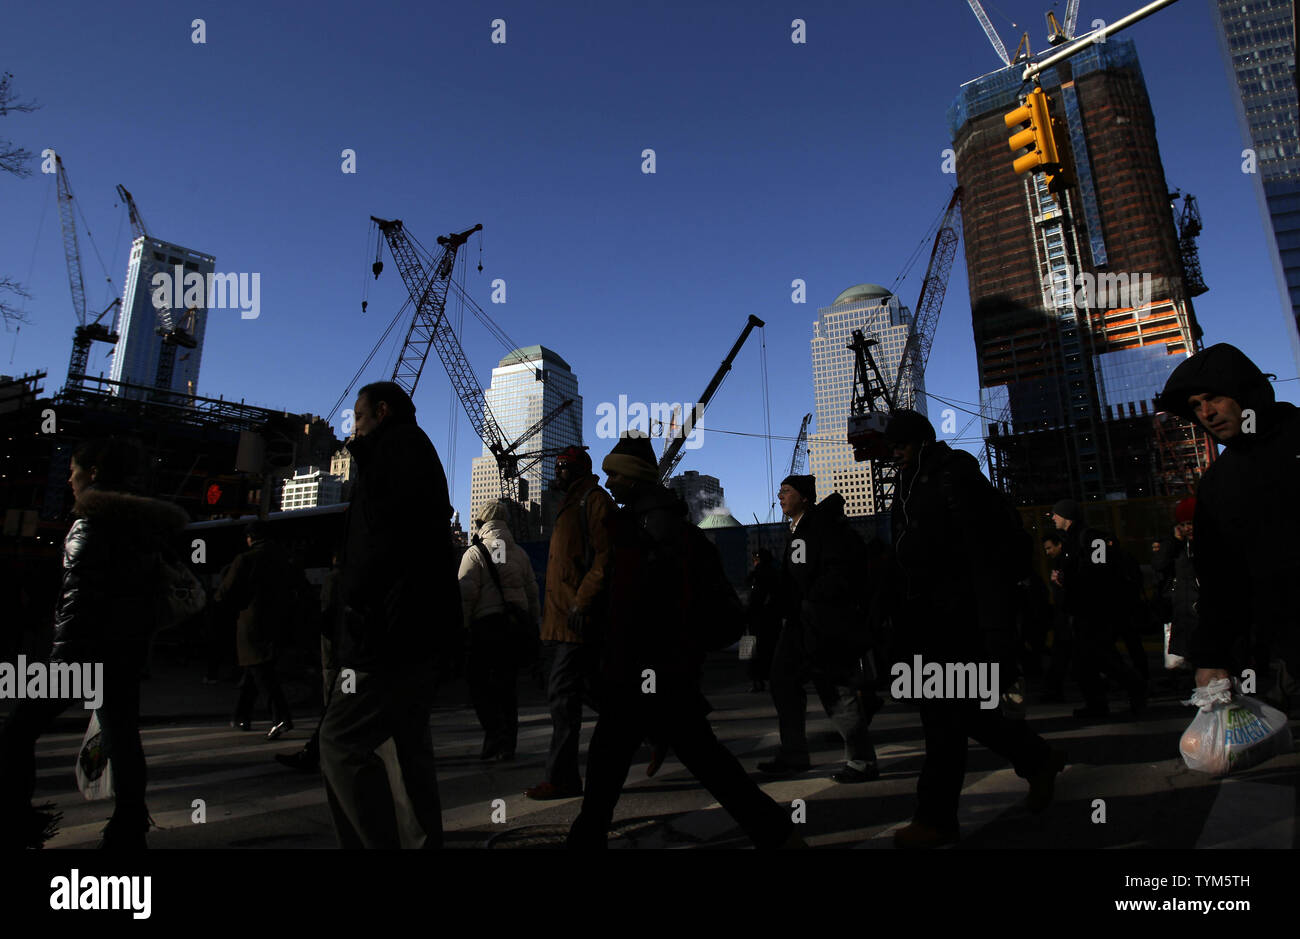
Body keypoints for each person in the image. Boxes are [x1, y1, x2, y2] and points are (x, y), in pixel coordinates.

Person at [566, 433, 802, 849]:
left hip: (645, 670)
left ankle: (586, 839)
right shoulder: (664, 523)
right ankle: (776, 832)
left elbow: (638, 607)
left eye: (614, 474)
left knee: (619, 759)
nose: (609, 482)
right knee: (698, 758)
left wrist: (616, 662)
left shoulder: (644, 529)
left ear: (634, 477)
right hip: (662, 670)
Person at [883, 410, 1066, 849]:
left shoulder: (953, 475)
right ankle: (1038, 758)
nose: (895, 454)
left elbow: (985, 557)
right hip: (930, 618)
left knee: (943, 718)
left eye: (901, 445)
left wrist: (995, 628)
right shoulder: (910, 482)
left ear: (921, 441)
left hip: (961, 619)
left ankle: (936, 819)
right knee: (962, 712)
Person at [0, 436, 189, 849]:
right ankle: (129, 826)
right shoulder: (142, 528)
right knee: (123, 737)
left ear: (94, 474)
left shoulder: (91, 523)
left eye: (73, 471)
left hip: (82, 653)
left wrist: (60, 660)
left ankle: (15, 820)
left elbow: (80, 600)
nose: (69, 479)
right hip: (125, 650)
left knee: (16, 731)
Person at [319, 381, 460, 849]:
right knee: (405, 745)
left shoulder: (391, 454)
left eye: (357, 418)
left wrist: (354, 610)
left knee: (340, 742)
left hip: (385, 634)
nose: (352, 429)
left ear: (380, 411)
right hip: (416, 632)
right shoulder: (415, 452)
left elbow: (375, 552)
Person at [1156, 343, 1300, 709]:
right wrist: (1212, 656)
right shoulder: (1219, 483)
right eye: (1195, 406)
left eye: (1213, 398)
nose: (1206, 412)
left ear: (1244, 392)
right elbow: (1222, 579)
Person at [759, 474, 879, 783]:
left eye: (787, 491)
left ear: (804, 497)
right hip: (802, 622)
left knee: (835, 687)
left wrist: (810, 602)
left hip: (820, 623)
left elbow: (825, 576)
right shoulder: (800, 530)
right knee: (783, 680)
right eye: (780, 490)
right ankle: (794, 753)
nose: (780, 496)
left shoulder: (818, 530)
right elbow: (796, 579)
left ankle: (861, 761)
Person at [525, 446, 615, 800]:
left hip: (577, 619)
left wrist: (582, 599)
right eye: (557, 466)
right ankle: (653, 728)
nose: (557, 471)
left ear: (580, 470)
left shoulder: (593, 501)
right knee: (590, 691)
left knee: (562, 696)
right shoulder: (570, 504)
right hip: (561, 620)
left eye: (563, 467)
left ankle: (562, 778)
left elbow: (606, 556)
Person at [458, 500, 541, 761]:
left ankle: (494, 732)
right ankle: (508, 744)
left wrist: (463, 627)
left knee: (477, 681)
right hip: (514, 628)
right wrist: (533, 625)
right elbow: (532, 593)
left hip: (487, 625)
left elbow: (466, 595)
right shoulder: (519, 554)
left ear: (481, 522)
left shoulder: (475, 553)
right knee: (508, 686)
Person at [1050, 498, 1146, 719]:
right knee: (1089, 660)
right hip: (1083, 609)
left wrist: (1071, 580)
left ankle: (1132, 687)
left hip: (1095, 610)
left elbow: (1100, 572)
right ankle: (1101, 701)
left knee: (1096, 657)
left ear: (1066, 516)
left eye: (1056, 514)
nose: (1053, 517)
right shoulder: (1073, 540)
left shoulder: (1090, 538)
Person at [218, 520, 301, 739]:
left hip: (252, 622)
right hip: (280, 621)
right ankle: (241, 715)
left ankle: (280, 717)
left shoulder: (246, 559)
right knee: (255, 671)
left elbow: (226, 591)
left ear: (250, 538)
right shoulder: (284, 559)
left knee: (261, 672)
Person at [1152, 497, 1198, 674]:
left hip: (1197, 608)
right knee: (1181, 661)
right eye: (1184, 524)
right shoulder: (1174, 545)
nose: (1188, 528)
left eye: (1191, 523)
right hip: (1181, 608)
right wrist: (1174, 541)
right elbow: (1159, 564)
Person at [1040, 531, 1072, 703]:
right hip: (1065, 613)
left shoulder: (1065, 561)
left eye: (1050, 548)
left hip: (1067, 614)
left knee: (1061, 655)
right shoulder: (1062, 560)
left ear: (1059, 544)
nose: (1048, 552)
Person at [745, 549, 781, 692]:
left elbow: (754, 597)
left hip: (758, 619)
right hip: (768, 619)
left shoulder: (758, 575)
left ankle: (756, 680)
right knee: (769, 650)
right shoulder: (773, 573)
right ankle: (765, 679)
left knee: (751, 650)